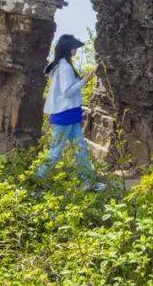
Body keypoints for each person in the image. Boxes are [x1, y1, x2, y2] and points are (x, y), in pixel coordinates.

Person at [34, 33, 104, 189]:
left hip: (70, 114)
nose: (76, 50)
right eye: (74, 47)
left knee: (81, 149)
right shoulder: (65, 67)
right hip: (65, 115)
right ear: (68, 48)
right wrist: (86, 79)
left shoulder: (63, 64)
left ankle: (87, 182)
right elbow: (67, 92)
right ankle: (36, 179)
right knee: (56, 152)